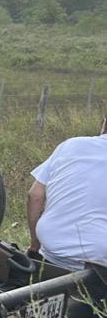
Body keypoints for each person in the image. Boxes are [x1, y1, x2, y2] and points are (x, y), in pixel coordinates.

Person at [28, 115, 107, 271]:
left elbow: (35, 195)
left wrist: (34, 246)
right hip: (99, 259)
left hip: (52, 249)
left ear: (104, 124)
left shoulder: (70, 145)